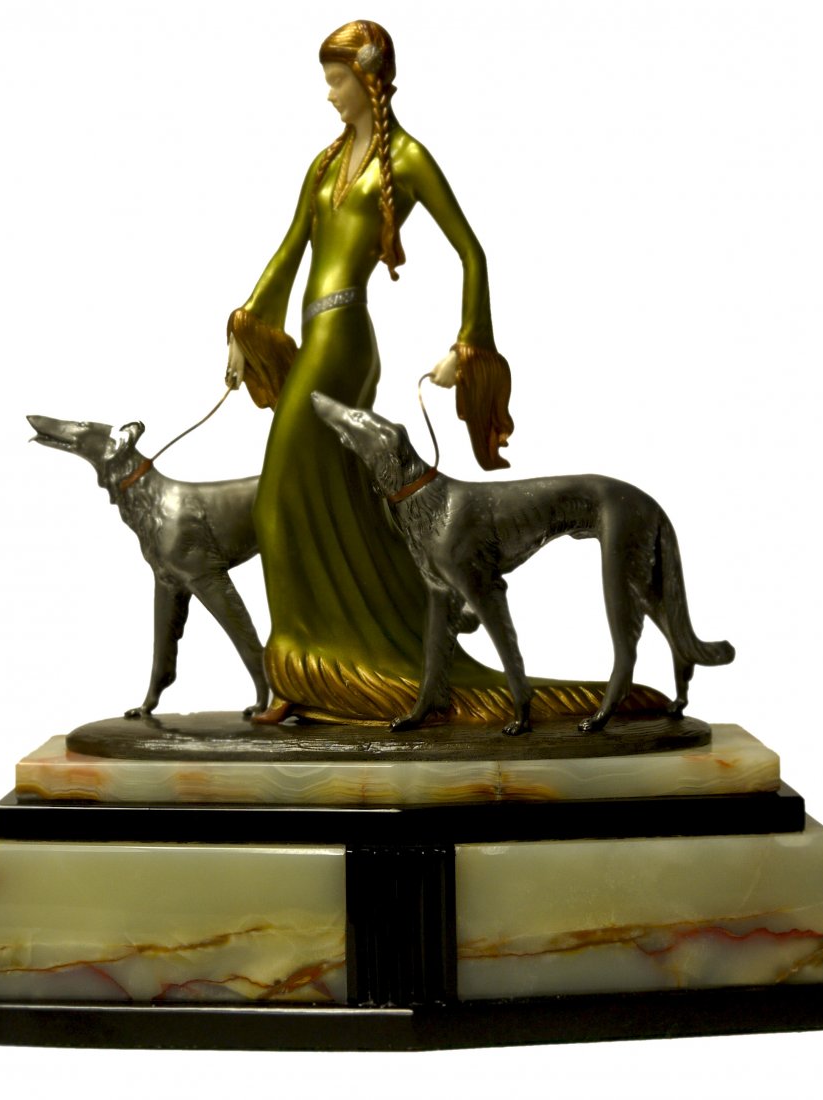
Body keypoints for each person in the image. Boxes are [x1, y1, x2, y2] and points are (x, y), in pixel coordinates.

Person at [226, 20, 519, 722]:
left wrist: (467, 346)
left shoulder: (408, 158)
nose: (328, 95)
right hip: (314, 335)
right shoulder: (323, 164)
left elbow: (472, 252)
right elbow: (289, 250)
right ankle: (328, 657)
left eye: (336, 81)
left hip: (346, 341)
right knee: (326, 501)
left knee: (277, 500)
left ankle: (298, 667)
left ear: (368, 78)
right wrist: (245, 326)